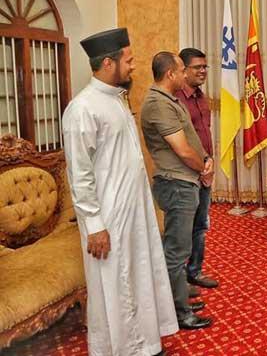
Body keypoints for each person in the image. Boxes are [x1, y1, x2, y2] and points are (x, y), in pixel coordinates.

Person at [62, 28, 177, 356]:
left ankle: (146, 345)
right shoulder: (82, 108)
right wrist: (94, 224)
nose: (133, 66)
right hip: (108, 217)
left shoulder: (117, 100)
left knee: (139, 277)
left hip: (133, 210)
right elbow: (79, 174)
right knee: (116, 284)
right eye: (128, 60)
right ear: (108, 63)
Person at [141, 52, 213, 330]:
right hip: (177, 183)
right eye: (182, 70)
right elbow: (182, 150)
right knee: (175, 251)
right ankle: (179, 312)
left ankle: (178, 299)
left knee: (181, 248)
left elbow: (193, 139)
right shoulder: (158, 104)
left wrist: (205, 159)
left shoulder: (170, 100)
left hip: (186, 181)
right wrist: (203, 168)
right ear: (171, 73)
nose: (185, 74)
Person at [176, 48, 219, 290]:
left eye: (205, 67)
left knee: (201, 224)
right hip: (186, 172)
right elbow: (180, 142)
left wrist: (209, 163)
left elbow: (204, 134)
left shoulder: (201, 97)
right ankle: (178, 279)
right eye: (197, 67)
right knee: (183, 228)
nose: (203, 71)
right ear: (183, 70)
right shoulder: (176, 100)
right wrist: (200, 167)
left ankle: (195, 271)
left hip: (205, 169)